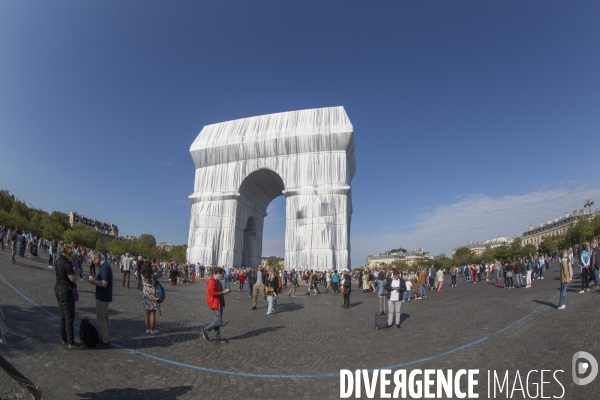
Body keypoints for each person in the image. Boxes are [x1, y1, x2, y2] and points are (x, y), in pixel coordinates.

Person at [54, 244, 84, 350]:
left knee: (62, 315)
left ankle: (64, 338)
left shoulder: (58, 260)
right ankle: (70, 342)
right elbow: (73, 279)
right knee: (69, 316)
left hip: (58, 287)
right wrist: (76, 272)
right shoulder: (66, 262)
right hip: (65, 289)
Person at [88, 250, 113, 348]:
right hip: (103, 296)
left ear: (97, 258)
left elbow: (104, 283)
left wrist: (94, 281)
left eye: (93, 260)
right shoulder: (103, 267)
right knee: (105, 318)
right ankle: (106, 336)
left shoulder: (105, 268)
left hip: (103, 297)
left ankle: (105, 339)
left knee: (101, 318)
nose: (93, 262)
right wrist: (94, 282)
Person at [201, 267, 230, 343]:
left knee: (217, 320)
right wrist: (223, 292)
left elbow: (219, 292)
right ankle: (206, 329)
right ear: (218, 274)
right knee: (219, 321)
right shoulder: (211, 282)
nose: (222, 276)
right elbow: (213, 293)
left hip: (219, 302)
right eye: (221, 275)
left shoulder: (218, 282)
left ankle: (217, 336)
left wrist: (225, 292)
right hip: (215, 303)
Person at [141, 261, 163, 334]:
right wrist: (156, 266)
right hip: (153, 295)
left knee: (147, 312)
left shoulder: (142, 275)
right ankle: (152, 330)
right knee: (153, 313)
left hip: (145, 295)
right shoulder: (153, 275)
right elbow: (161, 273)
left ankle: (147, 329)